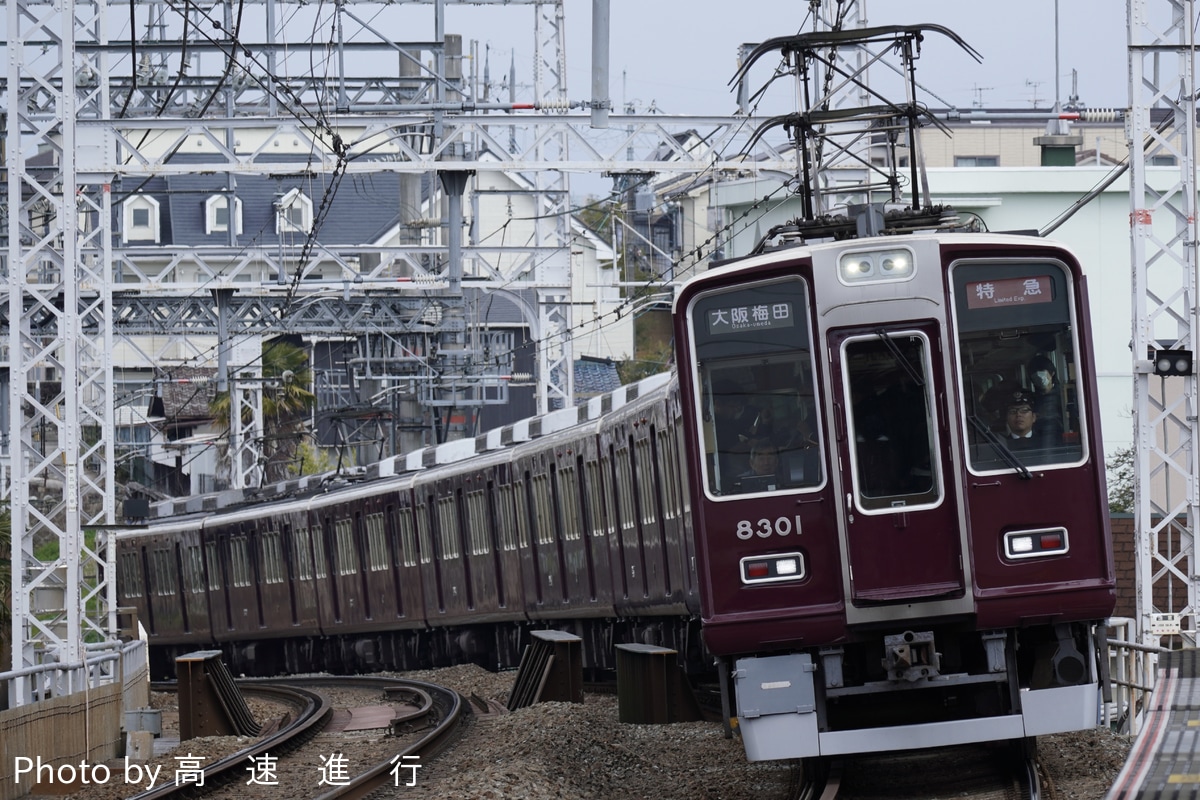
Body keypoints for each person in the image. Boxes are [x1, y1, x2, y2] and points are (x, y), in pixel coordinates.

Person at [1028, 354, 1065, 442]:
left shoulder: (1064, 396)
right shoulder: (1031, 400)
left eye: (1042, 373)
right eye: (1035, 376)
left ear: (1052, 373)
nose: (1040, 379)